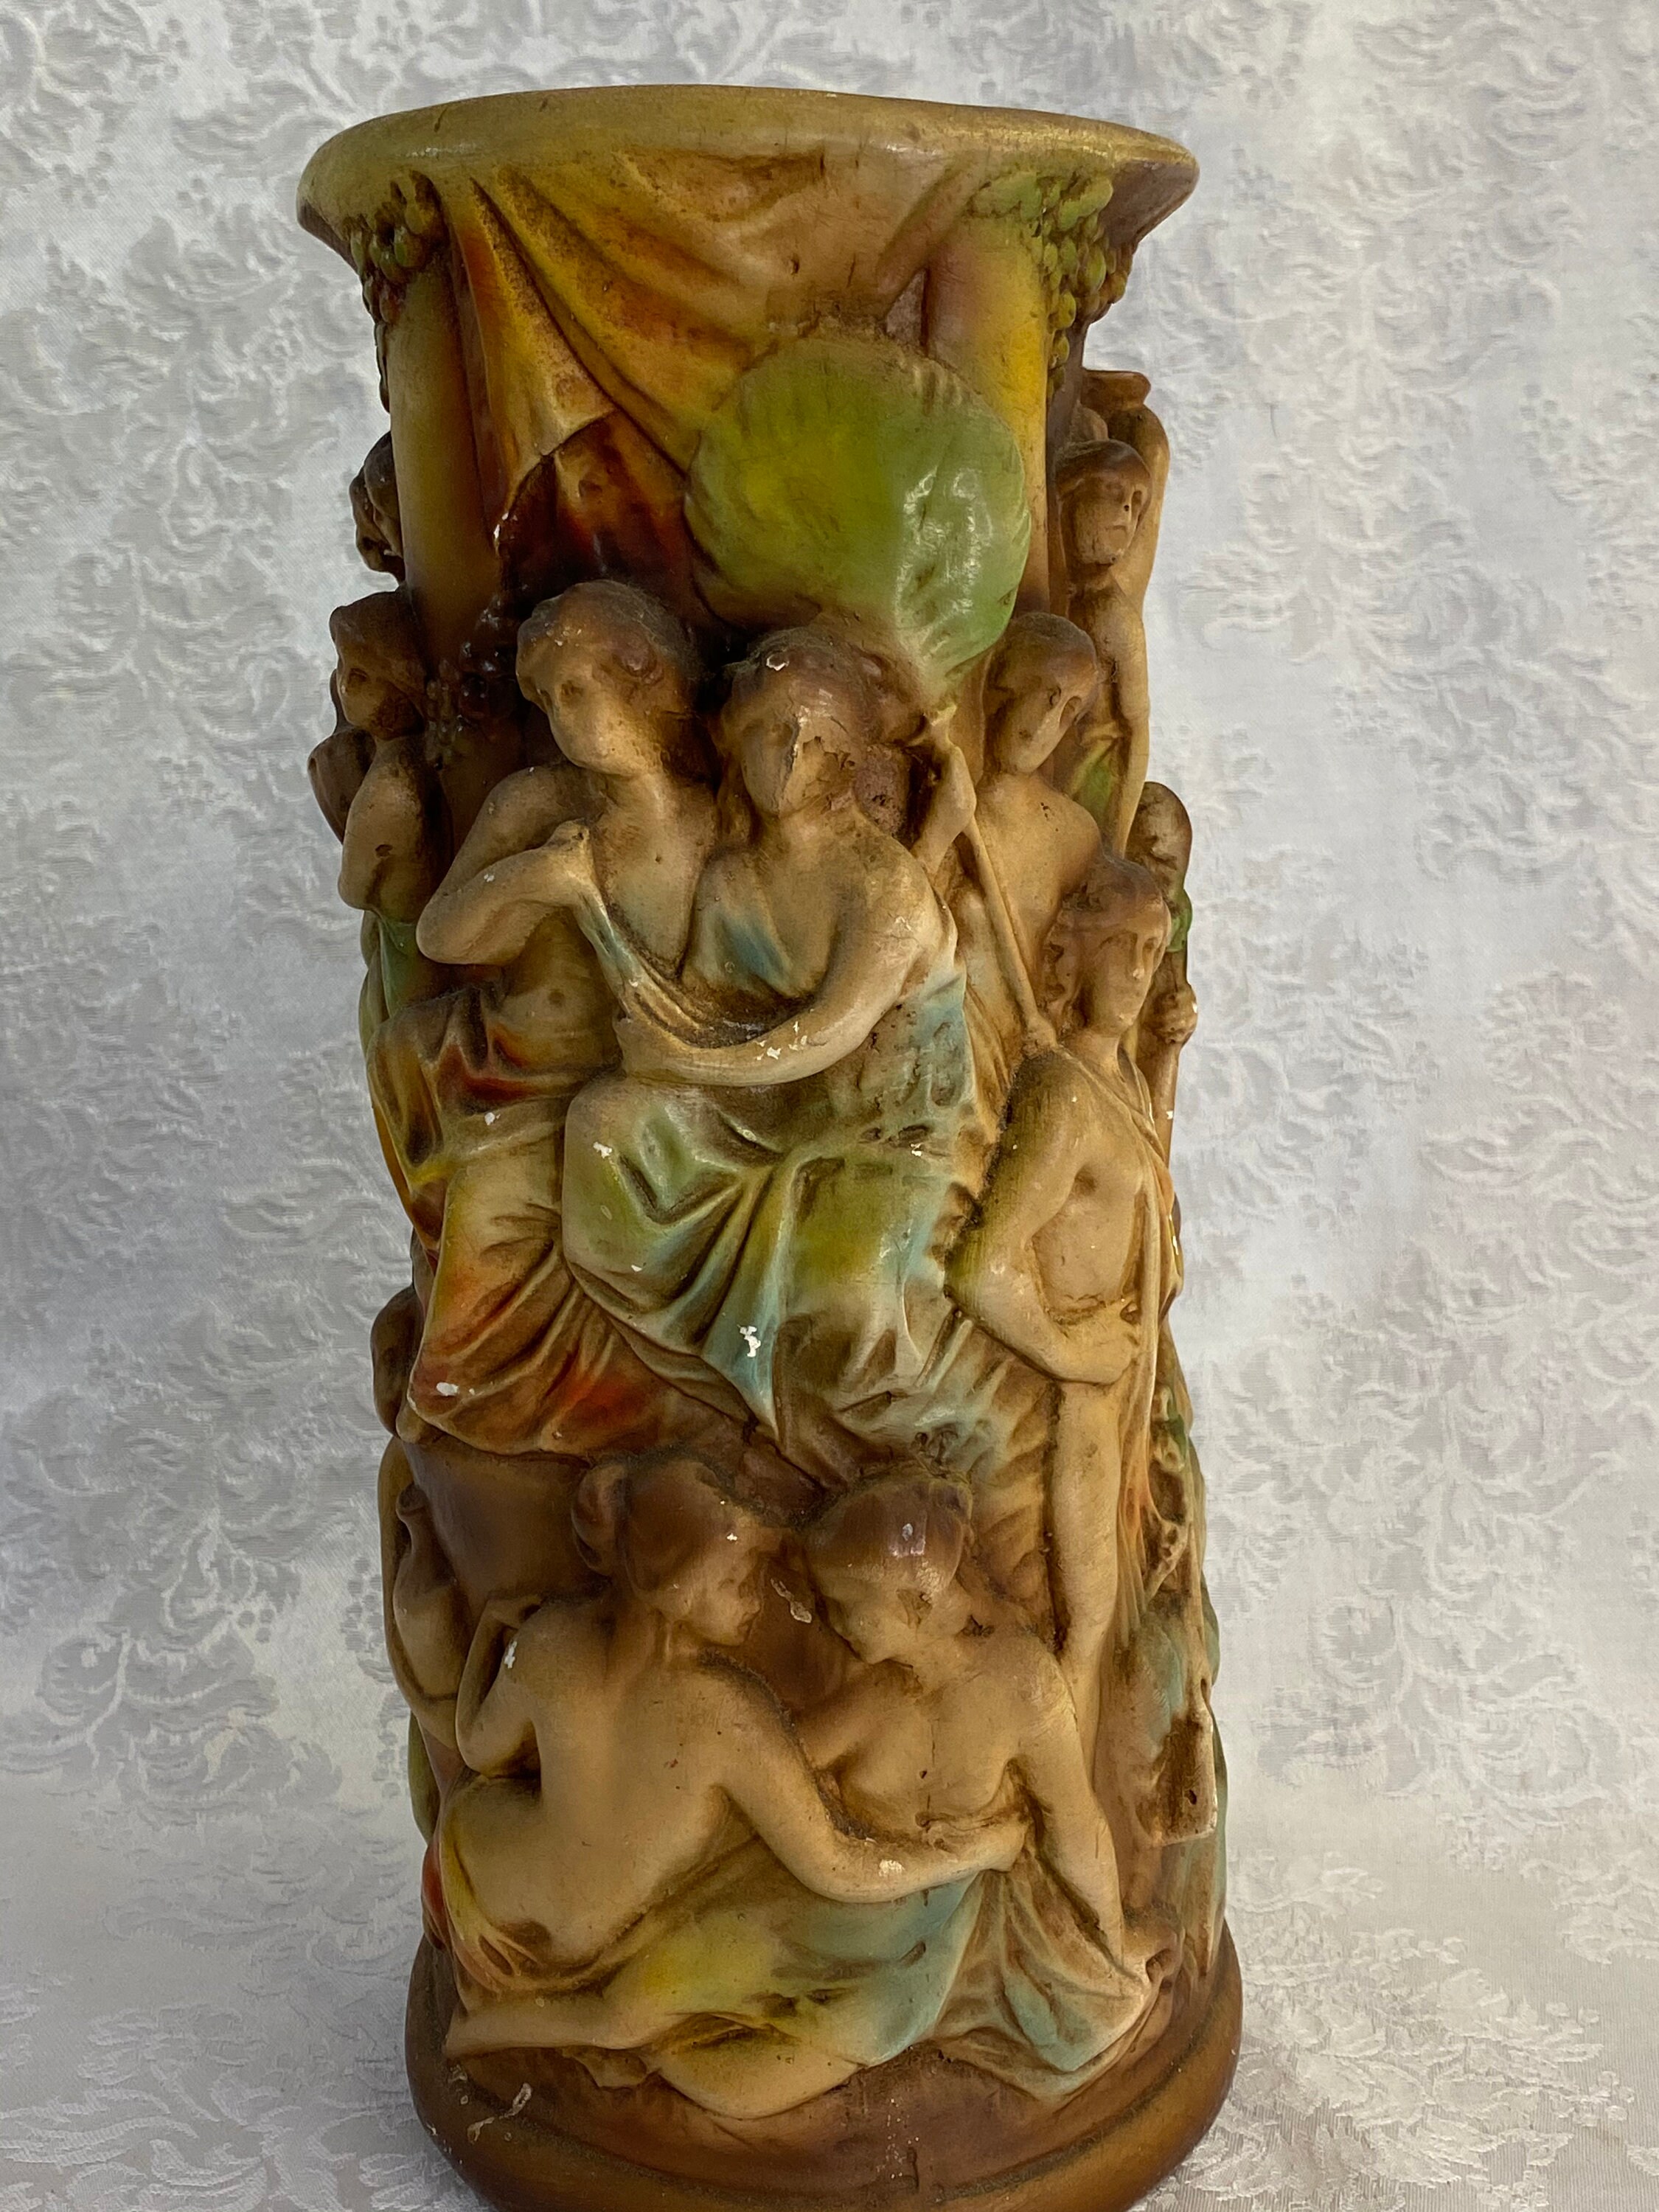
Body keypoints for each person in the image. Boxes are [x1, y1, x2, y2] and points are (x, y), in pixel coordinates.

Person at [438, 1450, 1024, 2098]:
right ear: (680, 1588)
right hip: (584, 1935)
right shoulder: (726, 1716)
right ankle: (505, 2029)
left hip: (490, 1883)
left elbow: (478, 1751)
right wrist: (973, 1851)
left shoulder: (550, 1642)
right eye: (737, 1581)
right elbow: (838, 1866)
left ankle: (482, 2019)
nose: (754, 1596)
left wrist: (492, 1641)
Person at [557, 627, 979, 1482]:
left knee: (846, 1293)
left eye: (818, 742)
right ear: (735, 741)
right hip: (764, 1110)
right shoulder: (732, 881)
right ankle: (710, 1394)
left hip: (888, 1131)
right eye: (772, 733)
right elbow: (708, 1012)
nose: (791, 757)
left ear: (849, 761)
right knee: (604, 1128)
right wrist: (633, 987)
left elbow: (827, 1034)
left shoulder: (883, 886)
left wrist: (687, 1065)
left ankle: (852, 1449)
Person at [366, 580, 724, 1458]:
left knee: (601, 1214)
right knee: (489, 1199)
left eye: (579, 689)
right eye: (550, 699)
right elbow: (445, 935)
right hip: (508, 1063)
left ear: (645, 680)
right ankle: (474, 1403)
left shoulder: (707, 827)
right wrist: (531, 882)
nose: (564, 717)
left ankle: (652, 1408)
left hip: (649, 1087)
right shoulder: (535, 805)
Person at [947, 850, 1179, 1773]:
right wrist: (1069, 1351)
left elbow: (1148, 1192)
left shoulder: (1120, 1086)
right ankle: (1058, 1812)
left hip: (1121, 1391)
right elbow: (983, 1267)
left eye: (1153, 950)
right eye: (1121, 945)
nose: (1137, 971)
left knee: (1105, 1615)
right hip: (1074, 1400)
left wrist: (1167, 1060)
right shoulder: (1062, 1097)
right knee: (1078, 1623)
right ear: (1073, 952)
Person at [924, 613, 1102, 1106]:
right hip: (945, 1063)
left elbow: (1087, 963)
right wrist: (938, 835)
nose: (1045, 725)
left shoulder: (1076, 836)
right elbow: (901, 925)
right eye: (1043, 695)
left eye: (1068, 710)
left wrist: (1051, 1020)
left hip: (1032, 1064)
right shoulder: (945, 796)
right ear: (1002, 685)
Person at [308, 590, 448, 1040]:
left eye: (362, 676)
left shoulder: (389, 788)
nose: (344, 686)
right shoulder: (409, 760)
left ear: (404, 691)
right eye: (343, 669)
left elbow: (352, 887)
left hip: (407, 938)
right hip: (404, 924)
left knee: (393, 1028)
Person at [1051, 383, 1168, 853]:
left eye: (1136, 502)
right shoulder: (1053, 579)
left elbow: (1136, 731)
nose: (1126, 511)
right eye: (1114, 492)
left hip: (1086, 789)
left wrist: (1115, 846)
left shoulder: (1111, 616)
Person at [1125, 780, 1197, 1159]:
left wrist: (1179, 1019)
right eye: (1154, 860)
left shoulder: (1172, 916)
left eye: (1172, 867)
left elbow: (1169, 1013)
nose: (1166, 883)